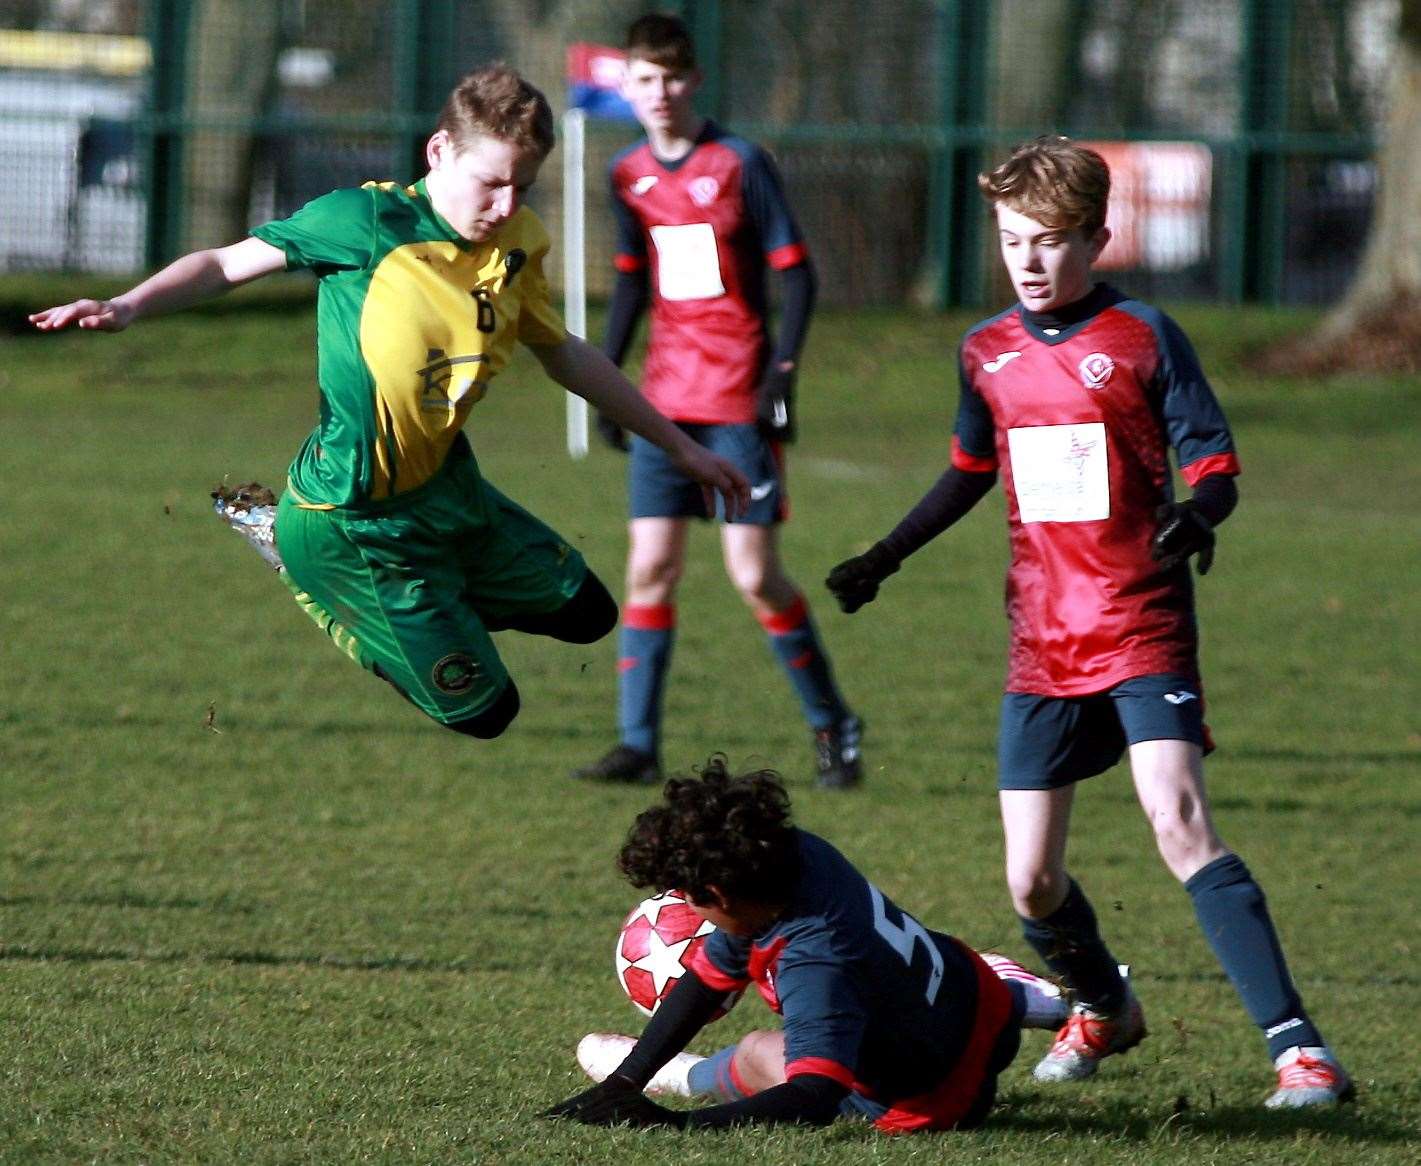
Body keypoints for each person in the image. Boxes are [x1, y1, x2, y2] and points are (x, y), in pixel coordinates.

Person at [825, 137, 1352, 1109]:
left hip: (1140, 622)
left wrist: (1199, 514)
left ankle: (1299, 1051)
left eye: (1049, 241)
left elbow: (1214, 462)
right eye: (1010, 239)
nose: (1026, 260)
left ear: (1098, 239)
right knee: (1029, 882)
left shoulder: (1144, 335)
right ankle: (1104, 1005)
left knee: (1177, 816)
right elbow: (968, 470)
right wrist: (883, 555)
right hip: (1039, 641)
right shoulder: (983, 350)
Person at [31, 65, 748, 741]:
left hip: (445, 488)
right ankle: (312, 571)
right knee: (487, 711)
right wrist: (127, 304)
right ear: (439, 151)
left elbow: (563, 351)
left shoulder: (518, 244)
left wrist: (681, 447)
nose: (505, 207)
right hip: (351, 516)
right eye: (490, 183)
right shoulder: (363, 222)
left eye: (522, 188)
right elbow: (224, 263)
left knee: (586, 613)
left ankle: (424, 595)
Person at [570, 14, 862, 789]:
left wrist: (783, 374)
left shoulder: (737, 163)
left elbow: (796, 273)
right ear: (625, 84)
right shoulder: (627, 173)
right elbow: (633, 280)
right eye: (643, 79)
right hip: (664, 401)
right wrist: (607, 378)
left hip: (735, 397)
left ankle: (833, 723)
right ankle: (636, 744)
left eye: (671, 78)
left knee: (752, 575)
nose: (658, 93)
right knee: (649, 567)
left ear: (693, 80)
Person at [544, 757, 1072, 1131]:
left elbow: (815, 1095)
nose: (684, 907)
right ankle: (1026, 994)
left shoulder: (814, 959)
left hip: (936, 1098)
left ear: (720, 894)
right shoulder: (790, 857)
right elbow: (706, 981)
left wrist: (679, 1124)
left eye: (686, 896)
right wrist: (627, 1079)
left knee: (757, 1051)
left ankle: (687, 1079)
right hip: (979, 997)